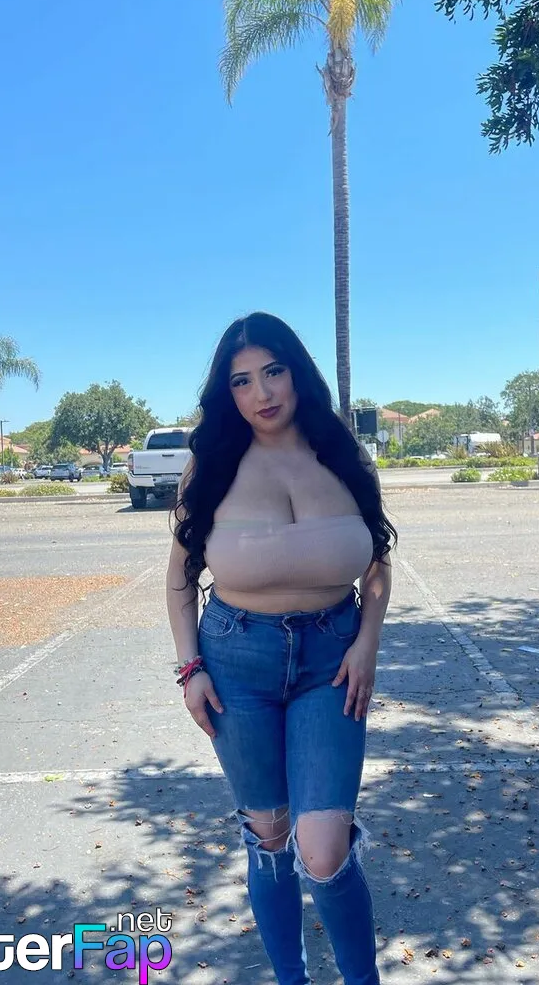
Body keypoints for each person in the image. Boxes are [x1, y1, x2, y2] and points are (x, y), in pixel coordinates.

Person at [166, 312, 396, 985]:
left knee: (323, 851)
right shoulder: (210, 467)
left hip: (332, 663)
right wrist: (190, 668)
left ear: (297, 373)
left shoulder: (343, 455)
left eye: (273, 372)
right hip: (236, 664)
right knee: (269, 839)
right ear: (227, 393)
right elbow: (178, 578)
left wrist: (367, 644)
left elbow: (378, 561)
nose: (261, 393)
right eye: (241, 381)